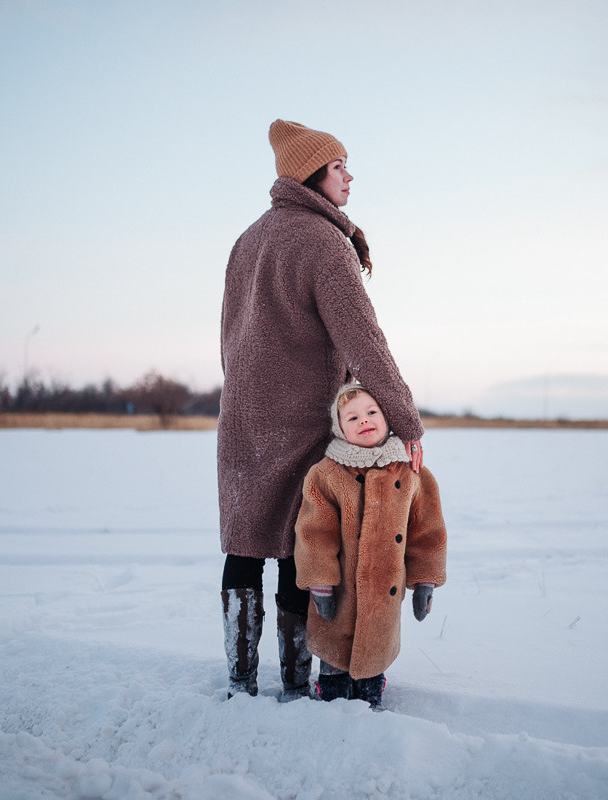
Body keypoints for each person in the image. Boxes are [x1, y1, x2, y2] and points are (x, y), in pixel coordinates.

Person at [218, 120, 425, 700]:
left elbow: (228, 336)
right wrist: (403, 419)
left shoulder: (247, 239)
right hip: (301, 418)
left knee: (243, 544)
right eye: (339, 166)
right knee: (296, 544)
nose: (349, 176)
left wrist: (242, 393)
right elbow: (366, 341)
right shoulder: (321, 240)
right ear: (311, 174)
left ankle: (239, 683)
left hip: (241, 416)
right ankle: (291, 682)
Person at [294, 383, 447, 708]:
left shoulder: (411, 474)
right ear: (339, 427)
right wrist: (320, 582)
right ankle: (332, 688)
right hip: (339, 590)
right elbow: (314, 532)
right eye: (352, 417)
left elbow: (427, 532)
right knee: (336, 644)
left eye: (371, 412)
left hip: (384, 589)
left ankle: (371, 688)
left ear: (388, 417)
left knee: (375, 647)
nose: (363, 420)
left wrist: (425, 581)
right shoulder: (326, 474)